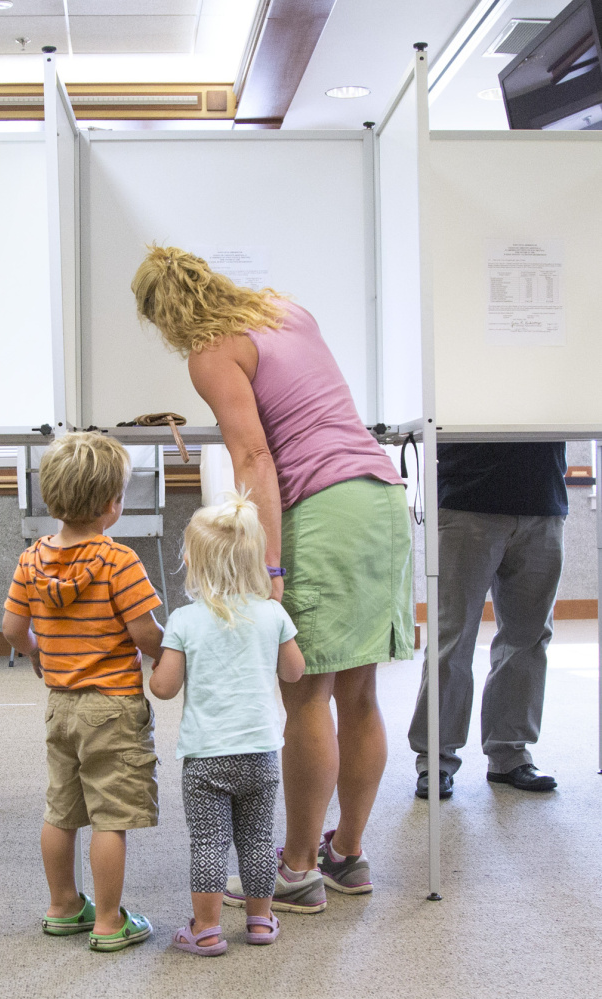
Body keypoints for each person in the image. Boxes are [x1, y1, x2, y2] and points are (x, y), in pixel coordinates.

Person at [132, 245, 414, 912]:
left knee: (306, 695)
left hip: (322, 506)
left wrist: (269, 566)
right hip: (379, 495)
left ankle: (293, 870)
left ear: (164, 316)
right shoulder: (285, 308)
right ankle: (344, 853)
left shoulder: (211, 351)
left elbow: (254, 456)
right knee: (361, 691)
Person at [2, 431, 165, 952]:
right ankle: (110, 921)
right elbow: (144, 635)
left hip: (60, 706)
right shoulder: (120, 562)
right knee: (110, 817)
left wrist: (36, 651)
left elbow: (10, 630)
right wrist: (170, 649)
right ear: (112, 505)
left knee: (62, 809)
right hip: (113, 707)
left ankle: (63, 906)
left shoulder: (32, 560)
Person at [150, 492, 305, 954]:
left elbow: (163, 687)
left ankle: (207, 928)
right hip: (260, 751)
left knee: (209, 844)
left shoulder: (184, 620)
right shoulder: (273, 614)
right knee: (258, 839)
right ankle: (259, 921)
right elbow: (294, 671)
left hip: (206, 760)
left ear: (193, 562)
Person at [408, 442, 567, 799]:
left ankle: (510, 754)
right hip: (468, 499)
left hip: (543, 499)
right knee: (453, 636)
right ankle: (436, 759)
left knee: (529, 637)